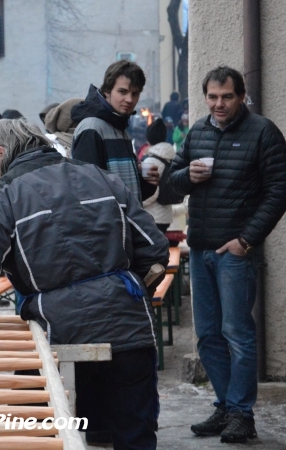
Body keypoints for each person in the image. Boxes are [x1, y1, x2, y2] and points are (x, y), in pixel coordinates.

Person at [0, 119, 170, 450]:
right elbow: (155, 251)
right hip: (130, 328)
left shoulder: (4, 196)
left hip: (59, 333)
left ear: (0, 154)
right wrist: (126, 289)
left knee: (38, 434)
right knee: (135, 437)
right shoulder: (101, 178)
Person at [169, 66, 286, 444]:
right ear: (205, 97)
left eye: (227, 97)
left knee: (237, 333)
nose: (219, 104)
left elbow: (279, 192)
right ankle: (225, 405)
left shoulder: (263, 132)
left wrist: (246, 240)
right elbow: (172, 184)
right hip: (200, 248)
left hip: (235, 253)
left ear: (241, 96)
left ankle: (242, 413)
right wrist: (189, 176)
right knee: (207, 336)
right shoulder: (198, 130)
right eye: (213, 97)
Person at [71, 61, 159, 202]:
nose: (129, 99)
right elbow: (88, 193)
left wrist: (144, 180)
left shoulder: (119, 127)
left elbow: (128, 193)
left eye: (135, 93)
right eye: (122, 92)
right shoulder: (91, 129)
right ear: (107, 91)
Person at [141, 133, 177, 234]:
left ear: (148, 140)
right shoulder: (171, 158)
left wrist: (139, 203)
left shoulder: (149, 161)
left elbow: (150, 192)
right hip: (166, 216)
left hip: (152, 215)